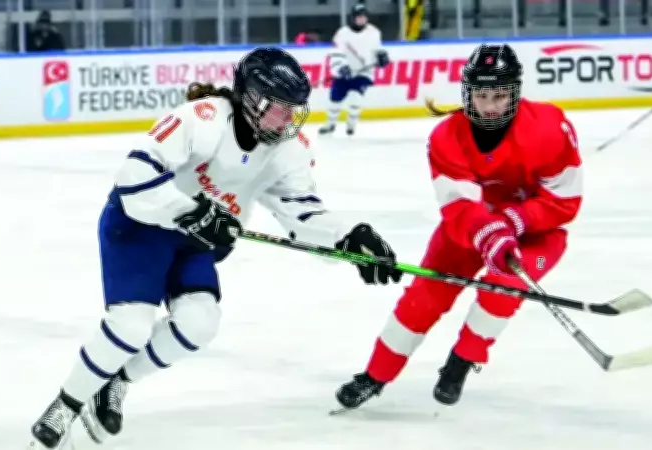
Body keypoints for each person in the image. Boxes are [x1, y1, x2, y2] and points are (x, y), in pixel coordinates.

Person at [26, 47, 403, 449]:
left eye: (294, 110)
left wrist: (350, 237)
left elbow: (301, 212)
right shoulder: (202, 119)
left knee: (200, 322)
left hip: (194, 241)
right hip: (140, 226)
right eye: (278, 108)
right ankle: (66, 404)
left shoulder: (287, 150)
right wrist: (190, 210)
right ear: (250, 97)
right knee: (131, 326)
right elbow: (133, 177)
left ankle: (115, 382)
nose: (288, 120)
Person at [333, 43, 583, 410]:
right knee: (425, 296)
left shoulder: (549, 127)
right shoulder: (446, 137)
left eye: (500, 95)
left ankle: (461, 362)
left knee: (505, 286)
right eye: (483, 96)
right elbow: (460, 208)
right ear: (468, 93)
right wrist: (492, 232)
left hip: (537, 233)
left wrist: (516, 220)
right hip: (472, 230)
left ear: (515, 92)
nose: (492, 106)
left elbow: (564, 202)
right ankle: (375, 376)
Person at [318, 4, 390, 136]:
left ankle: (351, 124)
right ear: (353, 18)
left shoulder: (374, 32)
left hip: (364, 73)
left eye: (364, 17)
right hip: (344, 73)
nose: (361, 20)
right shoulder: (342, 33)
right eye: (359, 17)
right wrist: (341, 67)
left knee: (355, 98)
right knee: (335, 100)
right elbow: (336, 52)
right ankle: (330, 124)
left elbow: (378, 49)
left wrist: (382, 56)